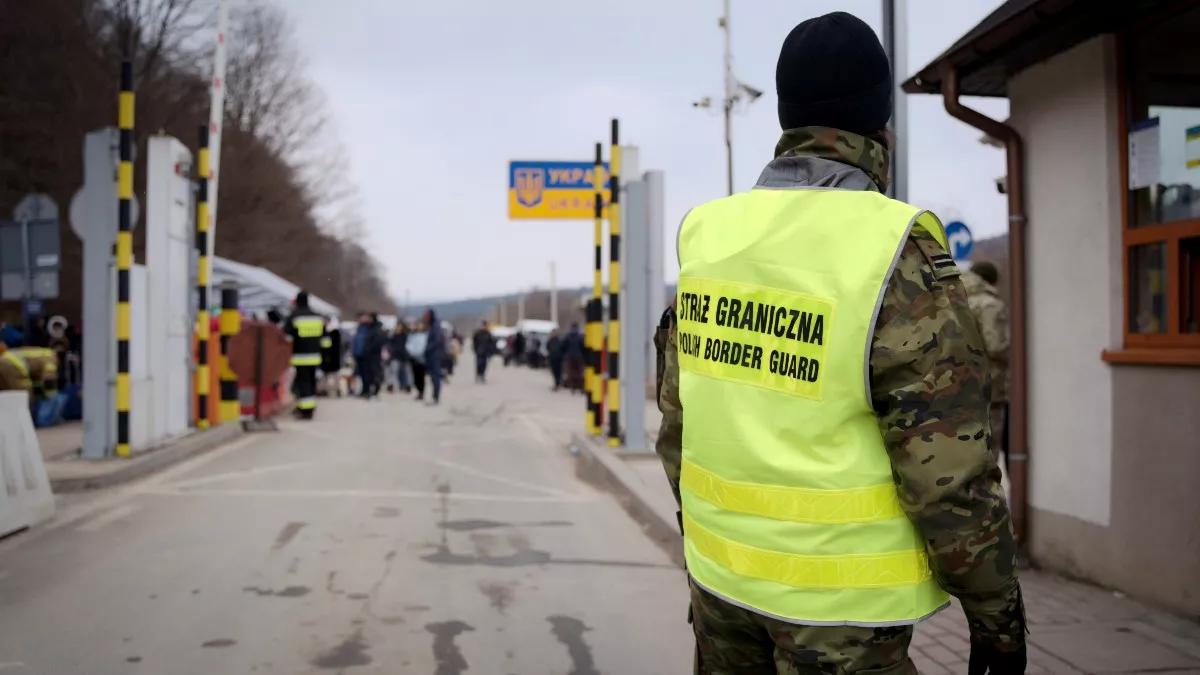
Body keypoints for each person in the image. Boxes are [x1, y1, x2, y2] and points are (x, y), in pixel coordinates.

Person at [654, 13, 1025, 675]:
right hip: (841, 619)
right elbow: (948, 475)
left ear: (786, 113)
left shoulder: (708, 237)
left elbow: (678, 423)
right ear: (879, 121)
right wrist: (998, 619)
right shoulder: (892, 249)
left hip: (719, 590)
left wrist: (707, 542)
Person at [964, 261, 1010, 468]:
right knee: (988, 455)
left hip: (955, 388)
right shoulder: (989, 305)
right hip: (988, 387)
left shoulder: (952, 300)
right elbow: (997, 346)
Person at [283, 291, 325, 419]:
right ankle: (308, 406)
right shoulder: (317, 316)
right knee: (311, 382)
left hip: (300, 356)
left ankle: (306, 410)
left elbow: (287, 337)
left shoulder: (294, 316)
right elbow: (324, 338)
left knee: (303, 382)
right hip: (315, 356)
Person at [422, 309, 445, 405]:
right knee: (433, 377)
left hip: (435, 355)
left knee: (435, 377)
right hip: (432, 355)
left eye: (426, 315)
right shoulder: (432, 326)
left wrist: (427, 349)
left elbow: (436, 341)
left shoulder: (436, 326)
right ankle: (434, 396)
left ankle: (435, 397)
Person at [320, 318, 343, 397]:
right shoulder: (323, 331)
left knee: (334, 375)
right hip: (325, 357)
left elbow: (336, 347)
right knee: (324, 375)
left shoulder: (335, 333)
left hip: (333, 358)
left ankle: (337, 389)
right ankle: (323, 390)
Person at [407, 320, 429, 401]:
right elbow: (408, 345)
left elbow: (425, 346)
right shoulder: (412, 335)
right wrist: (411, 352)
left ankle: (421, 392)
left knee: (421, 376)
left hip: (422, 358)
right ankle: (418, 390)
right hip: (413, 357)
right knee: (415, 376)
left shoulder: (425, 335)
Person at [388, 322, 412, 393]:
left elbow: (408, 346)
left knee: (406, 372)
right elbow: (389, 344)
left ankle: (407, 386)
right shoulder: (393, 336)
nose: (398, 328)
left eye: (399, 326)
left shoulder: (405, 335)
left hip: (404, 356)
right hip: (395, 356)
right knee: (394, 371)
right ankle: (393, 386)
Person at [562, 322, 585, 393]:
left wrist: (565, 354)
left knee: (571, 373)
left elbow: (563, 346)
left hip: (570, 357)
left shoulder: (568, 336)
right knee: (580, 373)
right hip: (579, 357)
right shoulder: (580, 336)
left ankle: (572, 388)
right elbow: (583, 347)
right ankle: (581, 388)